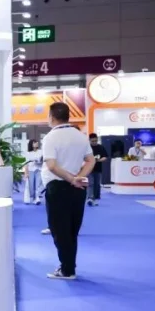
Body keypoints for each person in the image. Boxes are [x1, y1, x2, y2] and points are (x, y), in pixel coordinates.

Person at [42, 102, 95, 280]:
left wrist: (72, 179)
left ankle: (67, 270)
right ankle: (69, 266)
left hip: (58, 187)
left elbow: (51, 165)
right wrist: (79, 177)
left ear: (51, 117)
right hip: (78, 188)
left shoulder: (51, 137)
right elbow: (91, 160)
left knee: (59, 230)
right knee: (72, 230)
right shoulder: (80, 136)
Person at [86, 134, 108, 206]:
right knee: (90, 183)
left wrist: (99, 160)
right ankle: (90, 197)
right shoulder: (87, 148)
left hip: (98, 168)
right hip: (88, 168)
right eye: (92, 141)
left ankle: (95, 198)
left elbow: (105, 157)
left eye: (95, 141)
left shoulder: (101, 147)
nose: (94, 142)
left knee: (97, 184)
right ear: (89, 140)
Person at [24, 139, 43, 205]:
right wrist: (26, 173)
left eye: (37, 142)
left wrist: (39, 161)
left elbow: (43, 160)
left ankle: (36, 198)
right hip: (31, 170)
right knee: (31, 186)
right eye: (35, 142)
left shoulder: (41, 152)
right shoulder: (28, 153)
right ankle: (32, 197)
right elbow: (26, 164)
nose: (36, 143)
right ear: (31, 144)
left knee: (37, 185)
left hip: (39, 170)